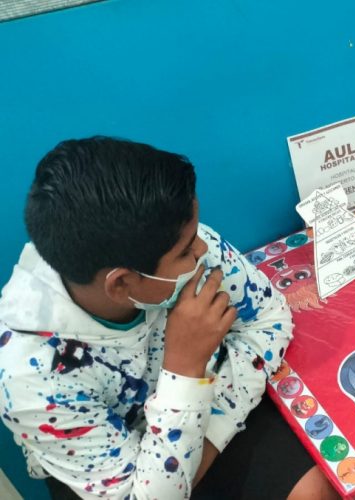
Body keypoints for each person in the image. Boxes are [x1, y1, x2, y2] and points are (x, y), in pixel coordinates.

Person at [0, 138, 336, 499]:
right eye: (187, 249)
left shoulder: (176, 242)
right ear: (121, 283)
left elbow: (269, 319)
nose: (203, 250)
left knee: (313, 489)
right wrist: (185, 366)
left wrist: (209, 430)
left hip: (210, 404)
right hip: (109, 468)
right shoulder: (29, 377)